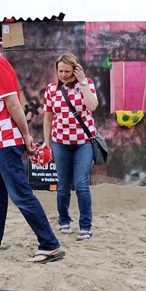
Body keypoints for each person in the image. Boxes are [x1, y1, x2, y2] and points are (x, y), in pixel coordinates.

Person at [0, 29, 65, 264]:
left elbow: (13, 103)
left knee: (21, 194)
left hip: (6, 142)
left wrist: (26, 136)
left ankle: (50, 244)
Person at [42, 54, 99, 241]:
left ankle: (85, 226)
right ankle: (64, 220)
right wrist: (47, 145)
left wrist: (83, 82)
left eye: (67, 71)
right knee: (63, 186)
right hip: (60, 144)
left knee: (81, 184)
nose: (63, 75)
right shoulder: (51, 89)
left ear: (76, 70)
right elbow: (48, 118)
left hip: (83, 143)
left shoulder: (86, 84)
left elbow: (93, 106)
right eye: (60, 71)